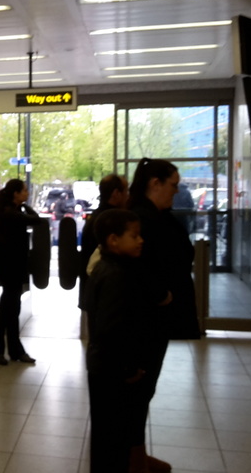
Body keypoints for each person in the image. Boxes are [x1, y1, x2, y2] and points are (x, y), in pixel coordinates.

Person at [127, 158, 199, 473]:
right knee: (138, 391)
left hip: (156, 321)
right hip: (145, 322)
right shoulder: (141, 220)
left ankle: (136, 454)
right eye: (173, 184)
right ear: (154, 183)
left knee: (144, 391)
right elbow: (136, 271)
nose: (176, 191)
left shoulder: (156, 216)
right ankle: (132, 458)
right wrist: (162, 295)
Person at [82, 208, 151, 473]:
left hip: (101, 365)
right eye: (134, 236)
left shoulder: (105, 268)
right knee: (112, 439)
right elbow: (112, 329)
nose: (140, 240)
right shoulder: (116, 276)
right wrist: (128, 367)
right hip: (112, 370)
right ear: (113, 240)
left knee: (105, 436)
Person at [0, 179, 44, 365]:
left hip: (13, 267)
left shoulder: (12, 211)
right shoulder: (10, 213)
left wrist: (24, 206)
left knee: (12, 309)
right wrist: (28, 207)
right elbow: (37, 220)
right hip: (10, 267)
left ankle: (15, 350)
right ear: (15, 194)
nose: (27, 193)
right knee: (7, 310)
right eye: (24, 191)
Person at [79, 174, 129, 308]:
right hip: (104, 296)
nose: (128, 196)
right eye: (126, 191)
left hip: (94, 293)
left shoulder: (96, 217)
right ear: (116, 194)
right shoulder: (111, 221)